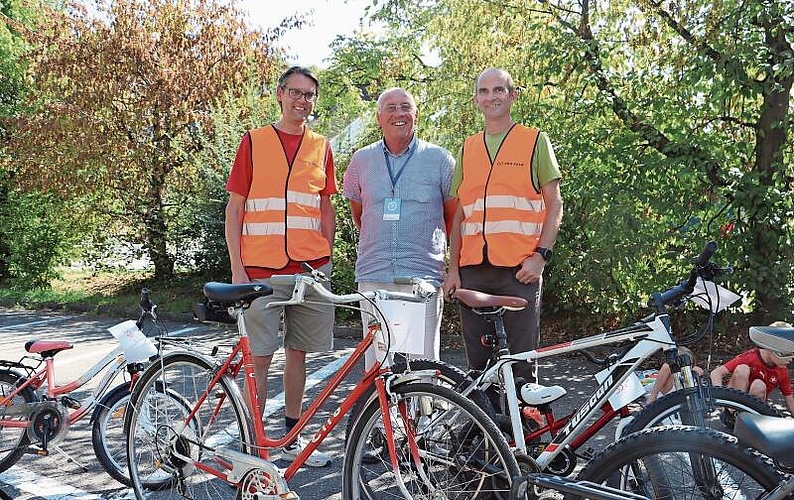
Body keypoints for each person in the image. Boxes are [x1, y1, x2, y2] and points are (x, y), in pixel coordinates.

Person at [224, 66, 336, 467]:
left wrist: (328, 259)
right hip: (260, 270)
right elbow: (235, 208)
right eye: (295, 92)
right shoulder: (253, 142)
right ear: (280, 94)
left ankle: (291, 435)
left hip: (310, 269)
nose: (302, 100)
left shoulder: (321, 146)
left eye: (309, 95)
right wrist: (237, 269)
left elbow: (325, 206)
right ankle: (254, 439)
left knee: (299, 353)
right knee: (260, 356)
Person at [443, 68, 563, 384]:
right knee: (479, 368)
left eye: (499, 90)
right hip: (472, 271)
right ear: (476, 99)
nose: (491, 96)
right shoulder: (468, 148)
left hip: (519, 271)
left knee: (523, 362)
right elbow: (459, 216)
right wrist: (452, 270)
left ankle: (525, 428)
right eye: (484, 91)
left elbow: (555, 205)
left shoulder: (535, 141)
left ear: (512, 95)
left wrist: (541, 256)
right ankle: (483, 430)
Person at [343, 87, 456, 369]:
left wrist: (453, 268)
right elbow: (359, 213)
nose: (399, 114)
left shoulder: (440, 160)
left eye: (405, 107)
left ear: (416, 115)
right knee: (379, 366)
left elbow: (454, 219)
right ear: (379, 117)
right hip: (374, 275)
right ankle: (382, 417)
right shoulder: (361, 161)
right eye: (391, 108)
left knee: (422, 367)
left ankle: (425, 415)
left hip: (421, 278)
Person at [710, 322, 794, 418]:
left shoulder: (782, 371)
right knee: (742, 369)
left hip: (753, 414)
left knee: (759, 384)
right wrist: (721, 401)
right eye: (787, 352)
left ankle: (746, 416)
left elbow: (790, 400)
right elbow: (716, 373)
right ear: (771, 348)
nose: (791, 358)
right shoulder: (750, 357)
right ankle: (734, 412)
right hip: (730, 409)